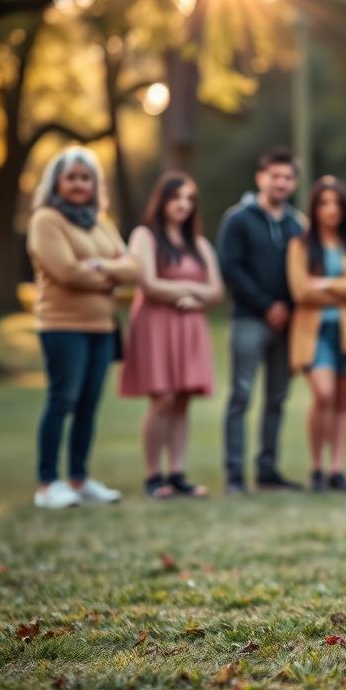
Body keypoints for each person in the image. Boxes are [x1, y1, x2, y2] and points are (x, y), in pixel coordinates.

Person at [26, 146, 140, 508]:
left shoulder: (100, 222)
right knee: (63, 400)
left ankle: (78, 478)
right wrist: (109, 271)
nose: (79, 184)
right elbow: (66, 271)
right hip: (62, 326)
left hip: (102, 328)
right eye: (72, 177)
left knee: (89, 405)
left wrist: (97, 267)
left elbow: (134, 269)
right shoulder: (47, 220)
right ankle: (48, 484)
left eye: (86, 177)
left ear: (95, 184)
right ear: (57, 182)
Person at [120, 172, 223, 499]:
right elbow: (148, 283)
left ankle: (177, 472)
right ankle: (153, 475)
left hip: (189, 324)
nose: (183, 205)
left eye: (190, 199)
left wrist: (194, 298)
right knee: (162, 398)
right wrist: (192, 290)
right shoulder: (144, 237)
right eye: (177, 197)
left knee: (182, 400)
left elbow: (217, 290)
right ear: (162, 200)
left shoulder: (200, 244)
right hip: (156, 325)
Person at [217, 147, 305, 494]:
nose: (281, 182)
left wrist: (287, 308)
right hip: (249, 320)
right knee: (241, 395)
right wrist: (267, 305)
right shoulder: (238, 219)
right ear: (261, 178)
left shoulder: (296, 224)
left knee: (277, 398)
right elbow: (231, 268)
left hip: (288, 324)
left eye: (287, 177)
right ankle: (235, 476)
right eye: (275, 176)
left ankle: (267, 471)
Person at [287, 177, 346, 492]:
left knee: (341, 401)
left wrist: (324, 284)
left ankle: (336, 469)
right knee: (322, 395)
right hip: (315, 331)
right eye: (324, 203)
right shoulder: (299, 245)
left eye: (337, 203)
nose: (331, 210)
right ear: (314, 207)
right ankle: (316, 467)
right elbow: (300, 292)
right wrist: (343, 291)